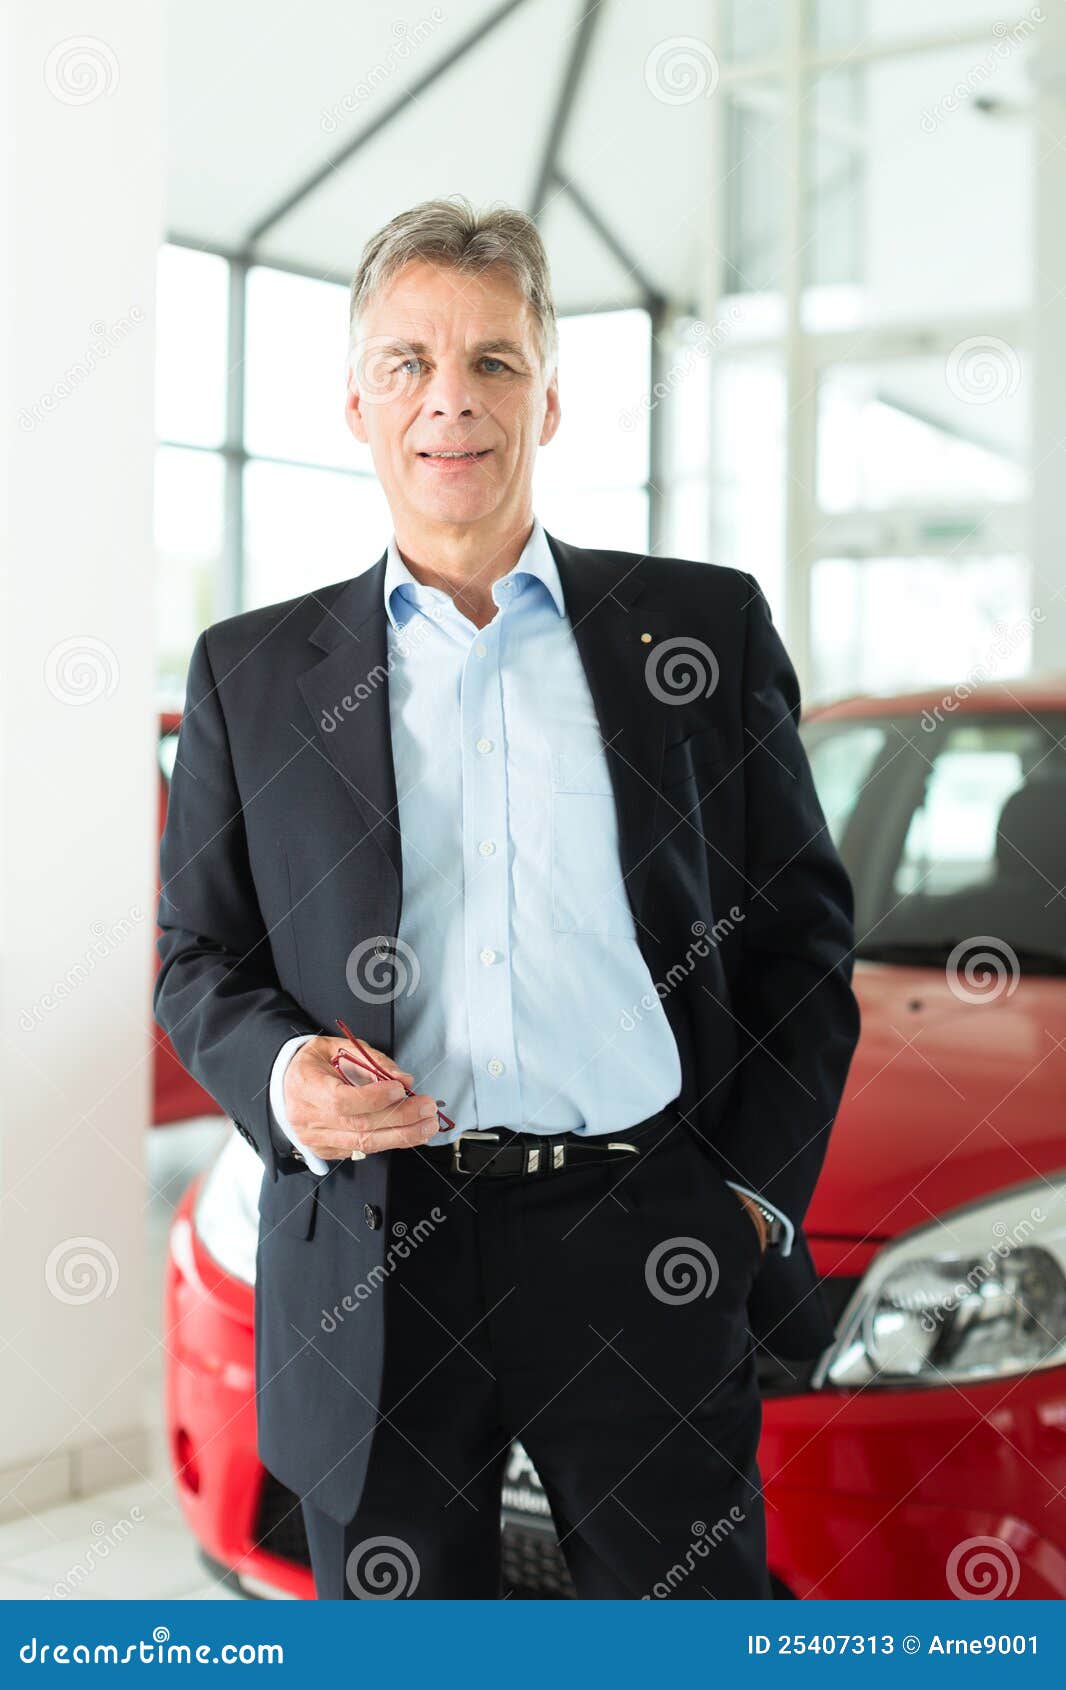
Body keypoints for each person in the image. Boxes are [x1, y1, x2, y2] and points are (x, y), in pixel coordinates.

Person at [154, 195, 860, 1599]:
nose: (449, 400)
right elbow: (197, 955)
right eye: (409, 361)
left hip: (641, 1233)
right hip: (373, 1256)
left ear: (546, 399)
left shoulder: (699, 633)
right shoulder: (252, 672)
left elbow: (798, 947)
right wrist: (284, 1070)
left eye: (492, 360)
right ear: (356, 403)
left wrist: (741, 1204)